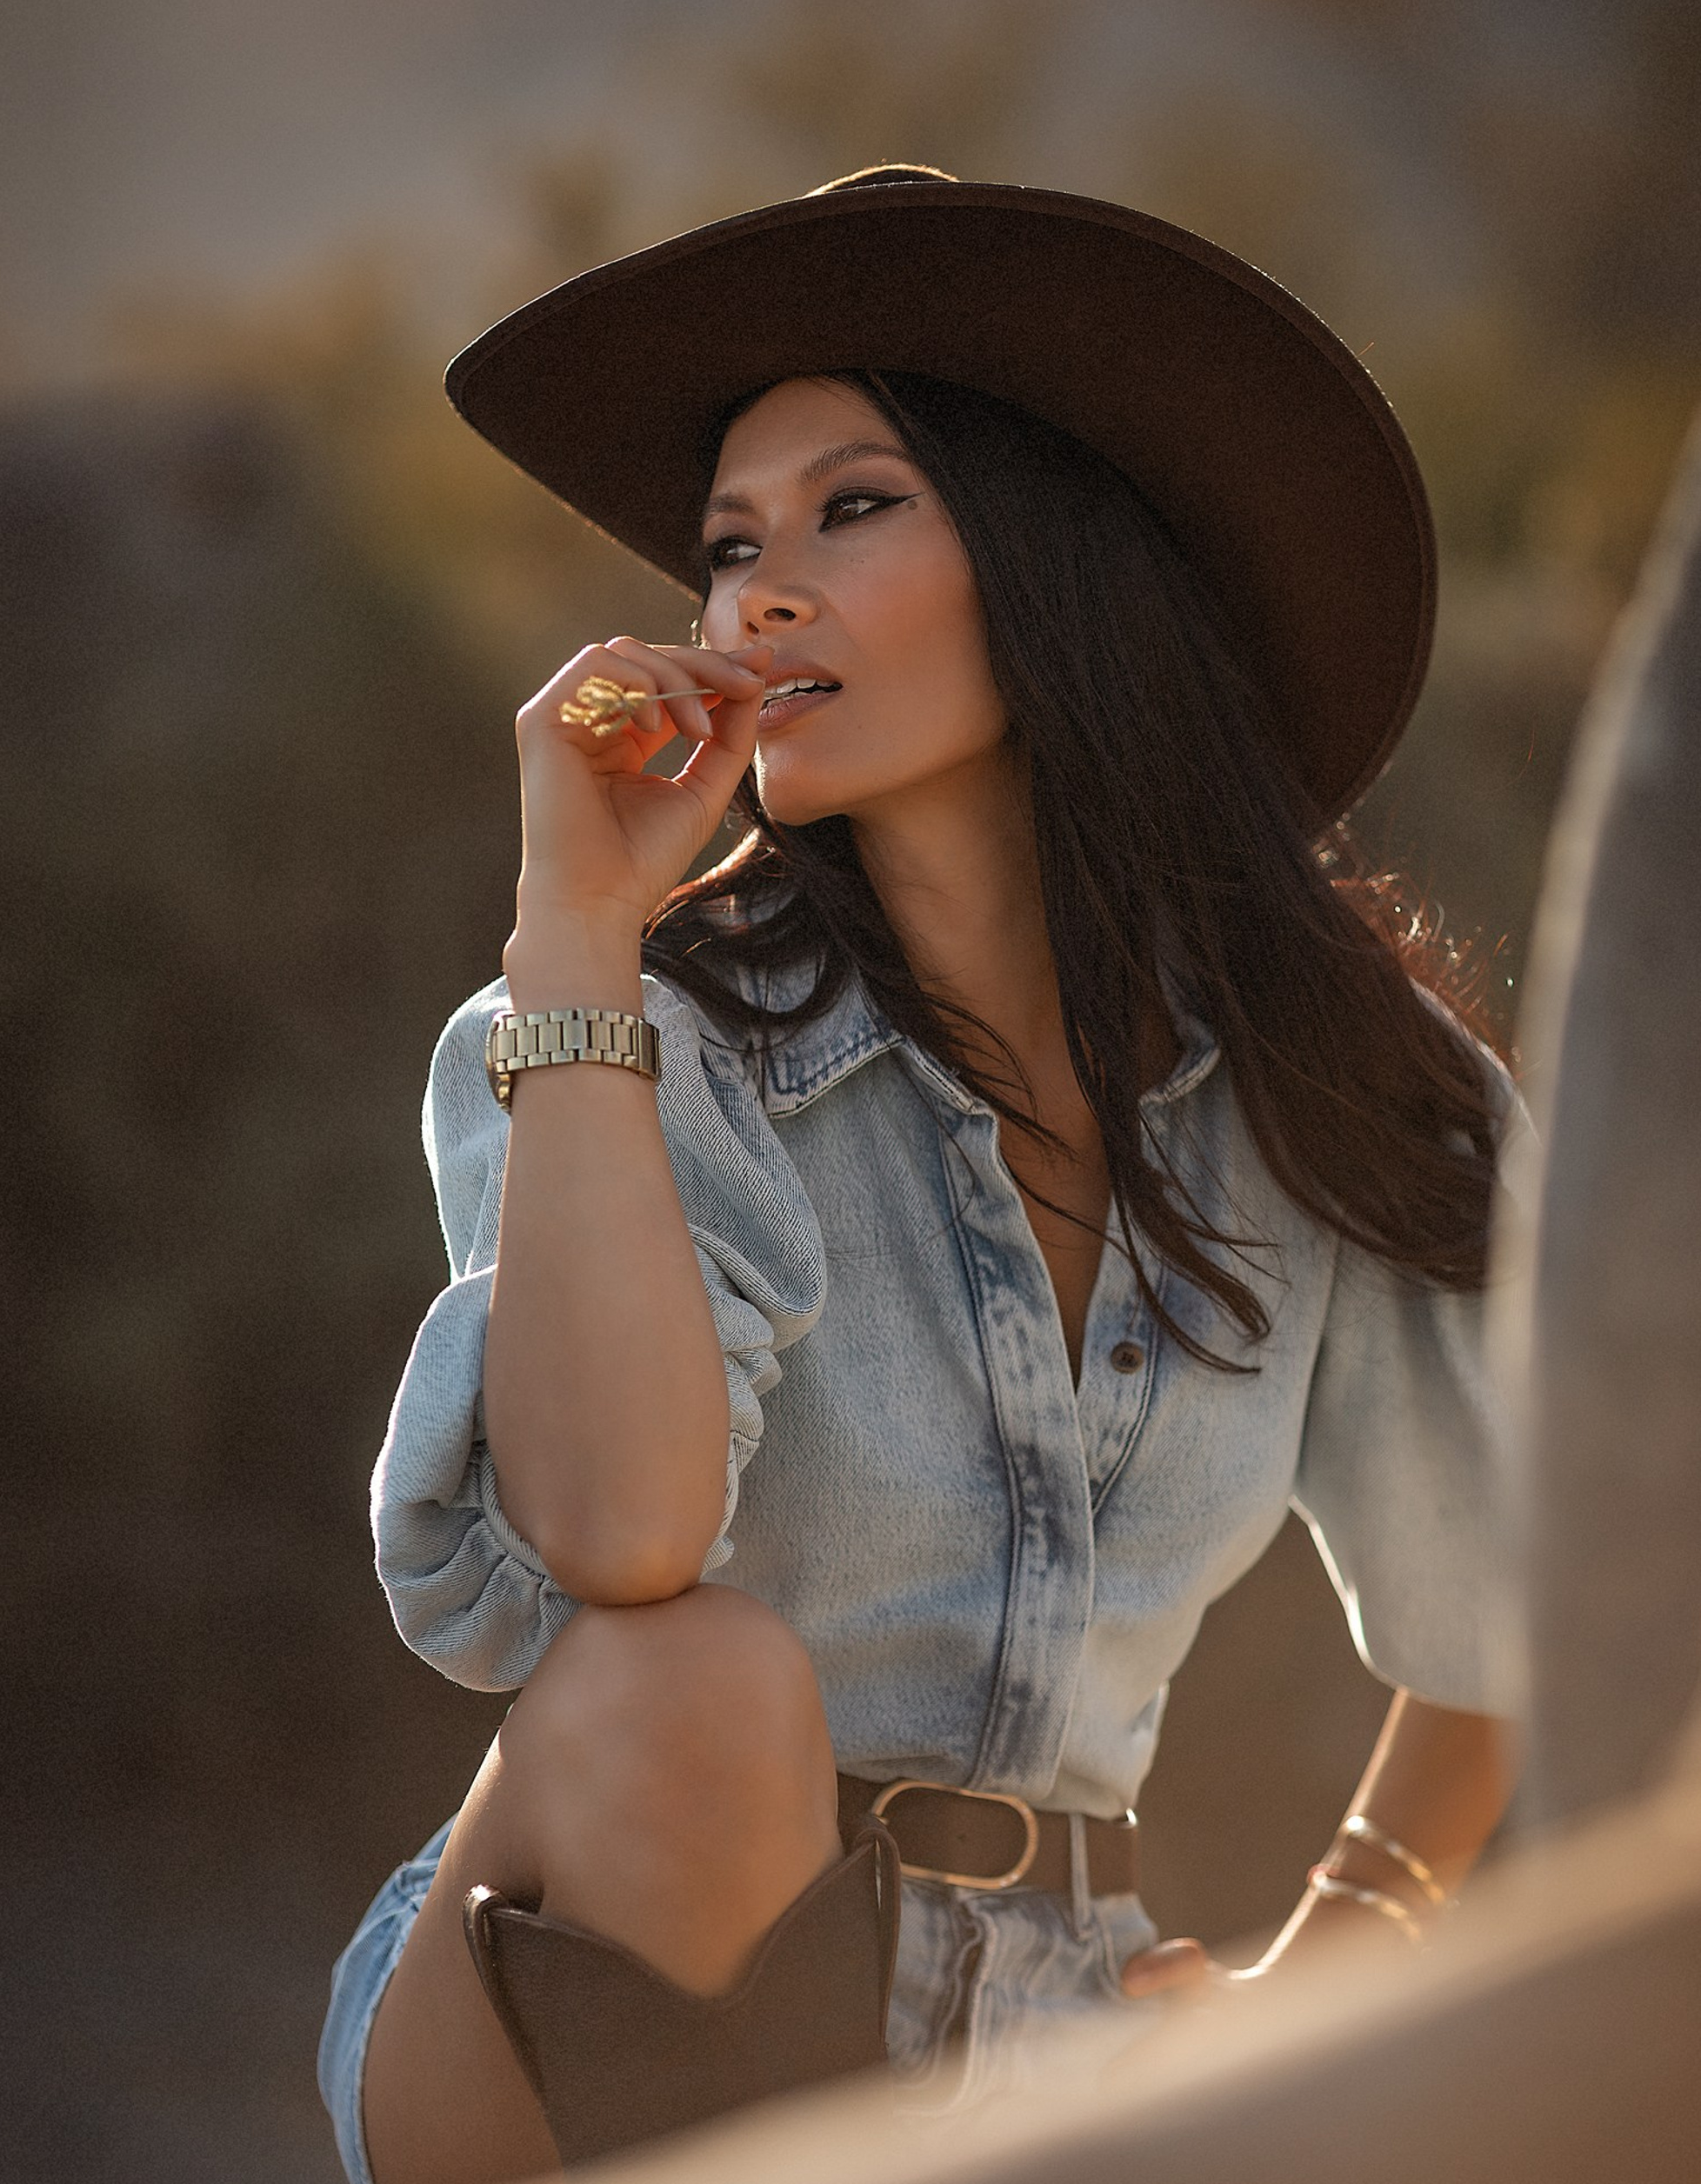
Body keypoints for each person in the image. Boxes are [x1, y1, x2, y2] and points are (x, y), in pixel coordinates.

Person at [317, 167, 1524, 2184]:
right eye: (727, 546)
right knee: (692, 1680)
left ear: (1061, 559)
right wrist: (576, 931)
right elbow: (614, 1542)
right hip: (566, 2005)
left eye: (848, 508)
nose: (754, 594)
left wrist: (1349, 1940)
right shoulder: (630, 1034)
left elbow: (1522, 1585)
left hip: (1067, 2025)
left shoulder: (1336, 1083)